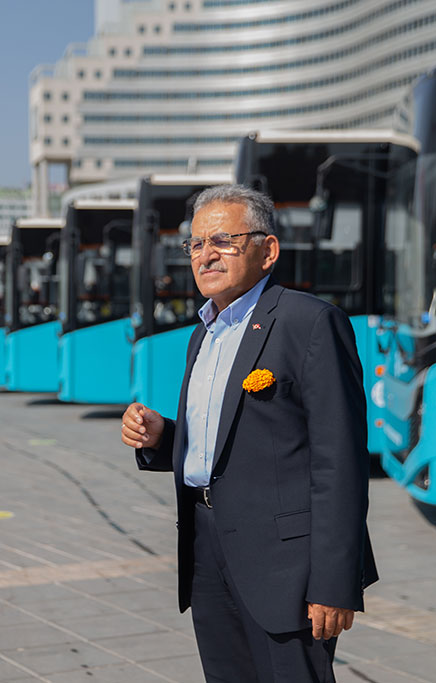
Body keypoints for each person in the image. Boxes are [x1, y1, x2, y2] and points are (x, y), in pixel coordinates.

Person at [121, 184, 377, 683]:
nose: (206, 255)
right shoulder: (203, 332)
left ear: (268, 250)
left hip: (286, 565)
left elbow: (340, 462)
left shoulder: (309, 322)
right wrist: (161, 436)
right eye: (196, 244)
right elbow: (230, 442)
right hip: (207, 548)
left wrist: (334, 583)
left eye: (223, 240)